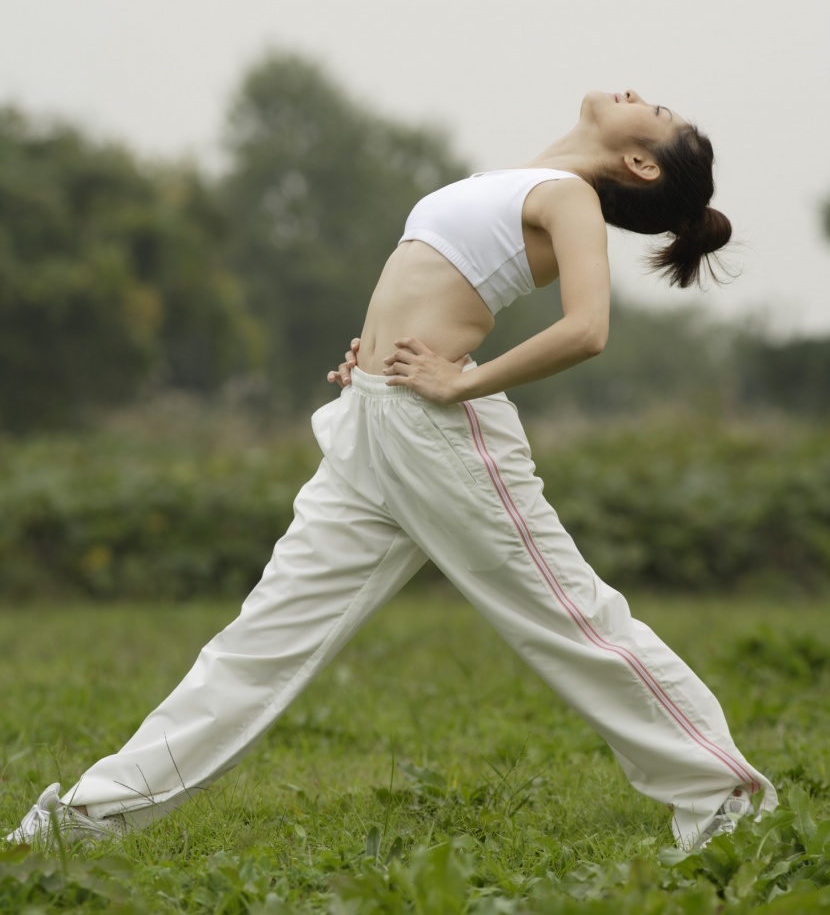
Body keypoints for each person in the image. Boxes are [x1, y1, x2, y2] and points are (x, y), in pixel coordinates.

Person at [8, 89, 777, 851]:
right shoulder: (515, 181)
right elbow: (433, 283)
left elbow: (587, 328)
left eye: (663, 114)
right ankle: (84, 820)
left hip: (438, 429)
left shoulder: (570, 196)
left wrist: (462, 381)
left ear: (639, 161)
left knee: (574, 619)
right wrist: (374, 348)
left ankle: (722, 797)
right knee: (259, 642)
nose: (644, 96)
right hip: (374, 422)